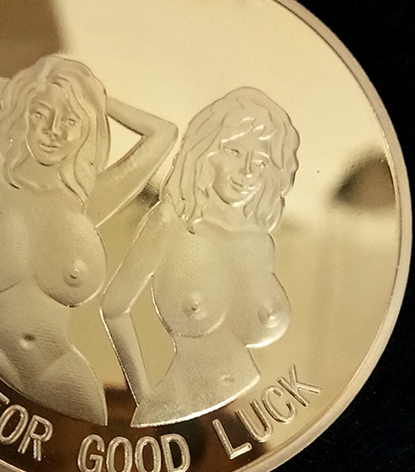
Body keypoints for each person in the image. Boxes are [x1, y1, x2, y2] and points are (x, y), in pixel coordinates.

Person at [0, 56, 178, 424]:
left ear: (86, 131)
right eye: (39, 114)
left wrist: (94, 97)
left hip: (65, 377)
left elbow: (164, 133)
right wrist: (27, 86)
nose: (54, 131)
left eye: (70, 121)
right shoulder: (1, 186)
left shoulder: (88, 203)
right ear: (23, 117)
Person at [102, 87, 299, 427]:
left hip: (249, 408)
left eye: (261, 161)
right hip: (177, 403)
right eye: (234, 151)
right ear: (206, 152)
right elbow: (114, 308)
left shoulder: (260, 242)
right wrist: (143, 396)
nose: (247, 171)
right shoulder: (169, 222)